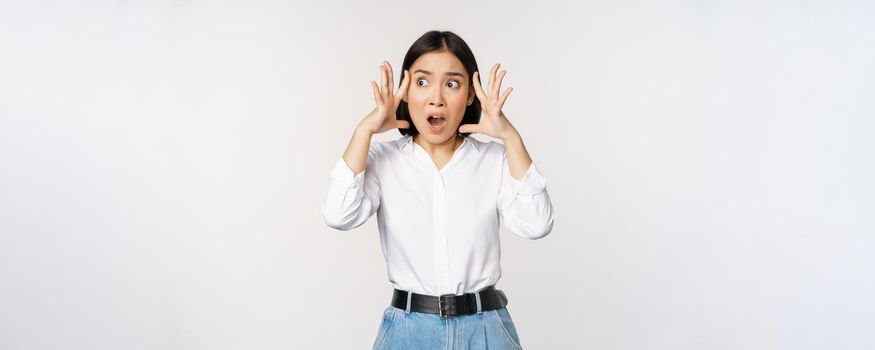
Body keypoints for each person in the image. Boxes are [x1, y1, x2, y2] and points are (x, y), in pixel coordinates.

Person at [322, 30, 555, 350]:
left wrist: (511, 138)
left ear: (471, 95)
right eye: (422, 82)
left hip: (485, 329)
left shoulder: (494, 160)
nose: (436, 98)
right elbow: (338, 214)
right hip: (408, 331)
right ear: (405, 92)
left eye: (451, 83)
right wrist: (366, 129)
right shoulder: (383, 159)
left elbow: (537, 224)